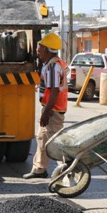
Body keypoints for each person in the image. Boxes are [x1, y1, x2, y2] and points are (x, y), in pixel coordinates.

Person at [23, 33, 68, 180]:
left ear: (48, 50)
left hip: (53, 110)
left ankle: (68, 170)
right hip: (50, 108)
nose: (38, 52)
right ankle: (39, 168)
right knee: (42, 137)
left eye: (40, 49)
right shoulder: (53, 64)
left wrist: (46, 112)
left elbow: (54, 91)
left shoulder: (53, 67)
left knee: (56, 141)